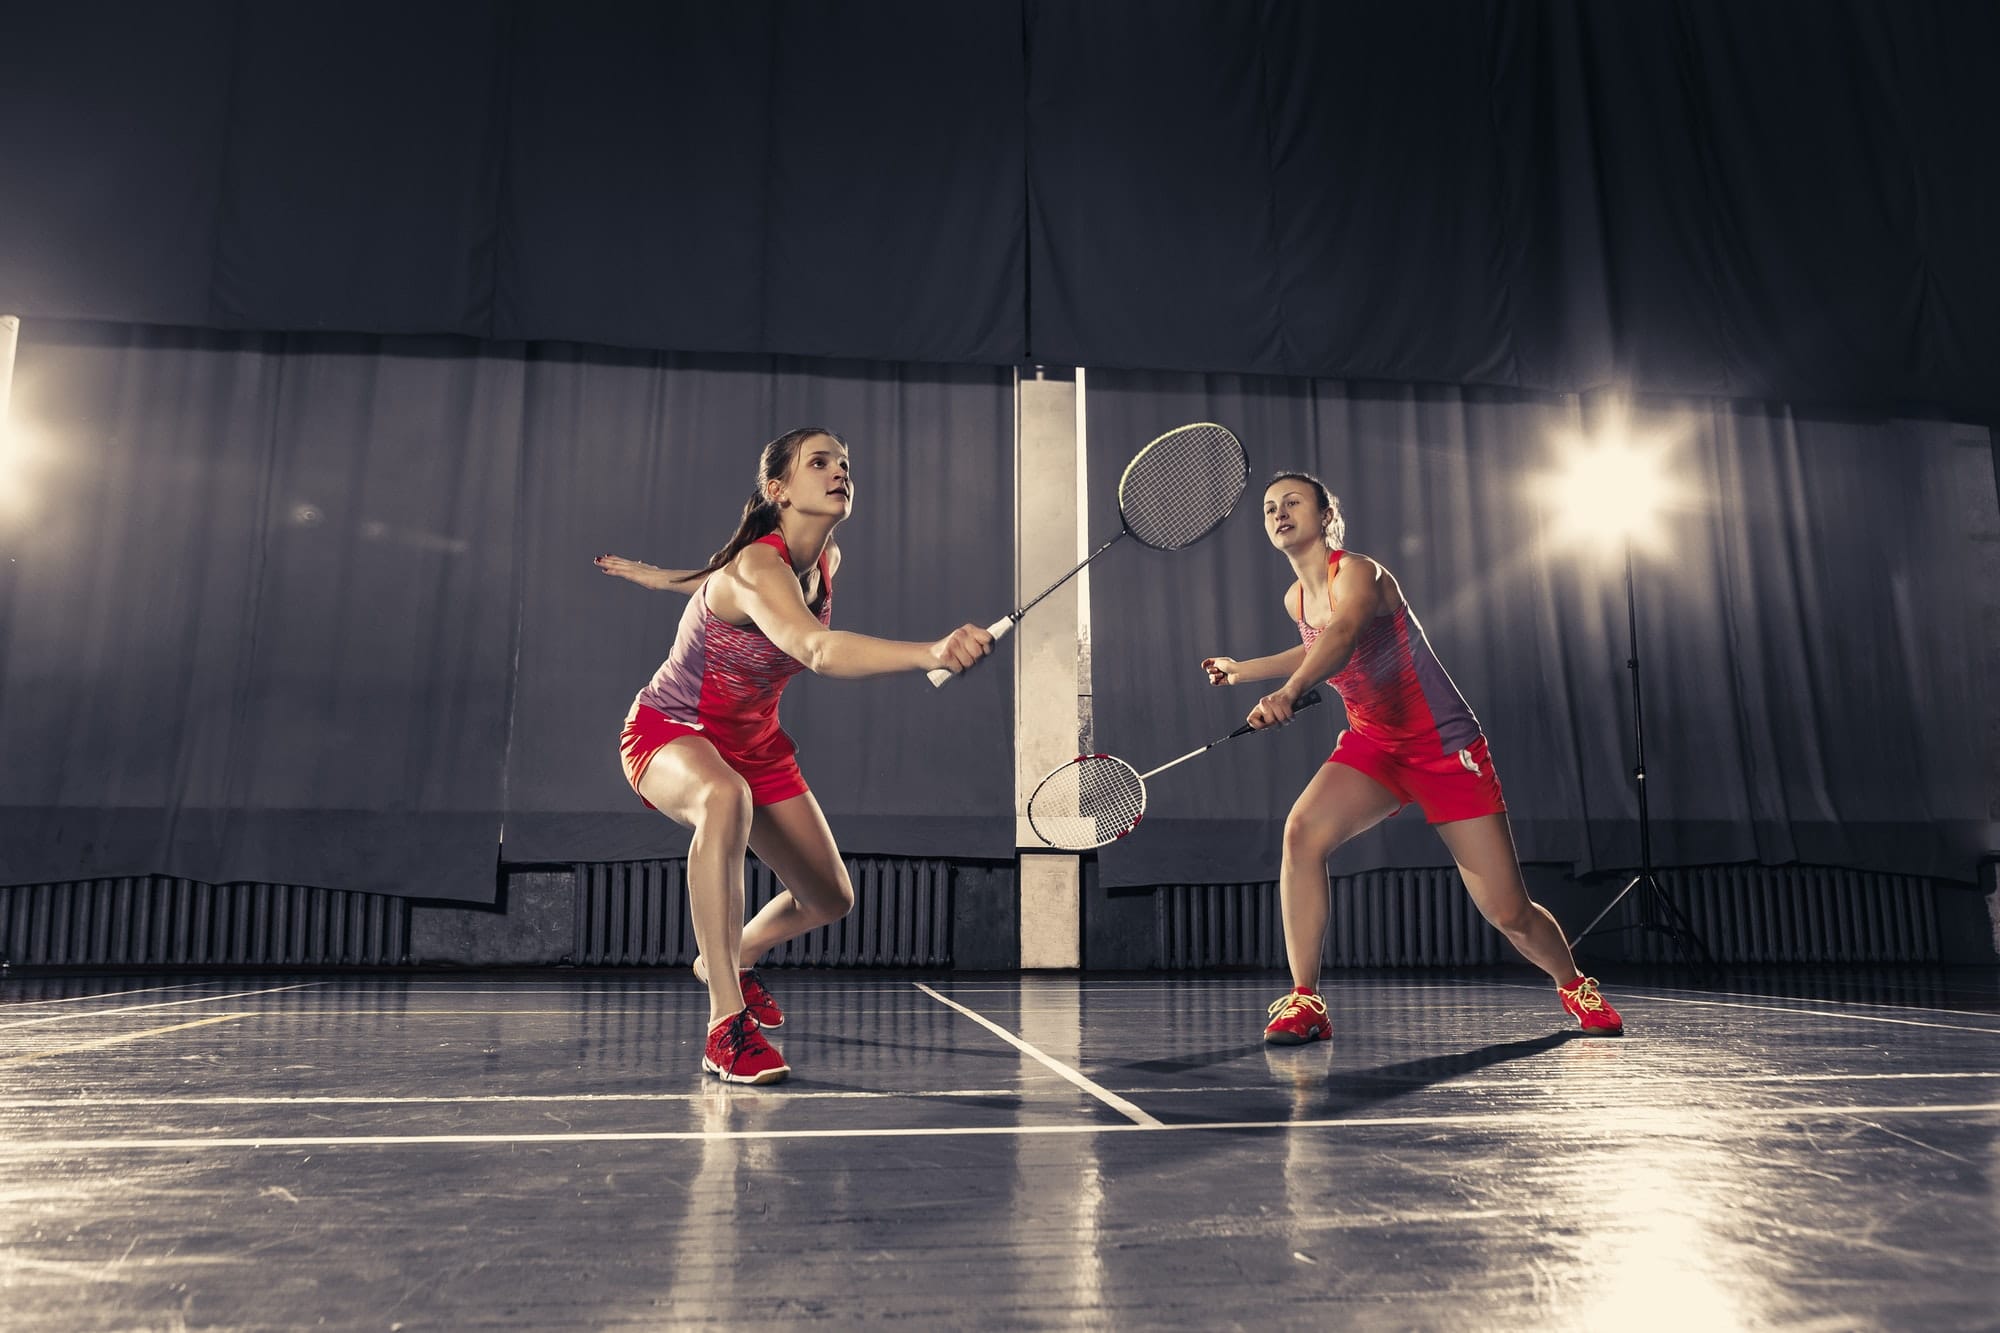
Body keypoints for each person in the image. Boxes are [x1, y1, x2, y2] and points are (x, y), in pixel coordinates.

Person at [597, 427, 991, 1083]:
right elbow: (815, 649)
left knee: (830, 897)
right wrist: (931, 651)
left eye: (844, 462)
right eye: (819, 462)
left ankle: (730, 955)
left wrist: (661, 577)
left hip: (754, 743)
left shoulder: (824, 564)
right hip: (672, 728)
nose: (839, 470)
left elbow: (719, 581)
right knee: (725, 798)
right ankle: (726, 1025)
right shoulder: (757, 563)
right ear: (777, 490)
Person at [1201, 471, 1623, 1045]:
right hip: (1375, 746)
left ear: (1325, 515)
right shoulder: (1295, 596)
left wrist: (1289, 692)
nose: (1279, 512)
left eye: (1293, 502)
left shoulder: (1361, 572)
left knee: (1509, 912)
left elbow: (1345, 634)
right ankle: (1306, 1001)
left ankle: (1573, 984)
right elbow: (1315, 643)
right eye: (1271, 507)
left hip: (1445, 749)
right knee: (1301, 832)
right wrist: (1243, 670)